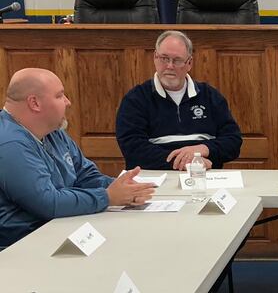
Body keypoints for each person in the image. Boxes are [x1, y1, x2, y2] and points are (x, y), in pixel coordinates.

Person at [0, 68, 155, 247]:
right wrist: (107, 197)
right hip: (20, 247)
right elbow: (48, 203)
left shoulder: (53, 130)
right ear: (35, 103)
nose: (68, 102)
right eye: (60, 96)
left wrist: (126, 189)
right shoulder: (9, 144)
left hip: (59, 230)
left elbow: (85, 176)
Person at [116, 30, 242, 171]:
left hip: (205, 176)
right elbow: (133, 149)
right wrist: (189, 163)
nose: (170, 66)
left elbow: (233, 141)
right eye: (164, 58)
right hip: (154, 179)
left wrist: (205, 149)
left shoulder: (210, 96)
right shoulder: (136, 99)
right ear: (155, 58)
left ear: (189, 63)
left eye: (177, 60)